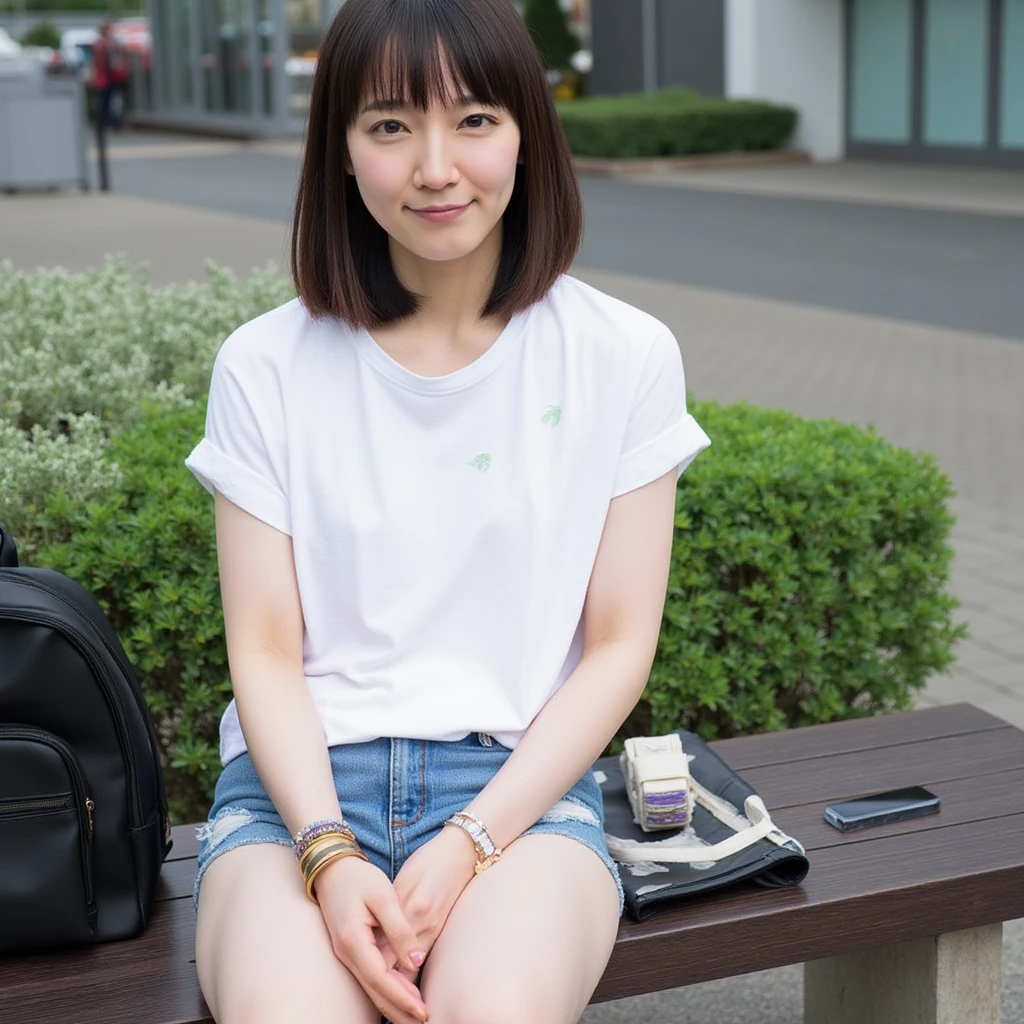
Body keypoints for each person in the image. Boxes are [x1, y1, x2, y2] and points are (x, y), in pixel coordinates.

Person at [183, 0, 711, 1021]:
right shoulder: (264, 365)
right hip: (293, 799)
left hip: (519, 794)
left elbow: (616, 646)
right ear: (339, 150)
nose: (436, 167)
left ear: (527, 132)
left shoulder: (622, 355)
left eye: (474, 120)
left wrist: (471, 839)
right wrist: (329, 856)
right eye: (389, 126)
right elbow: (264, 651)